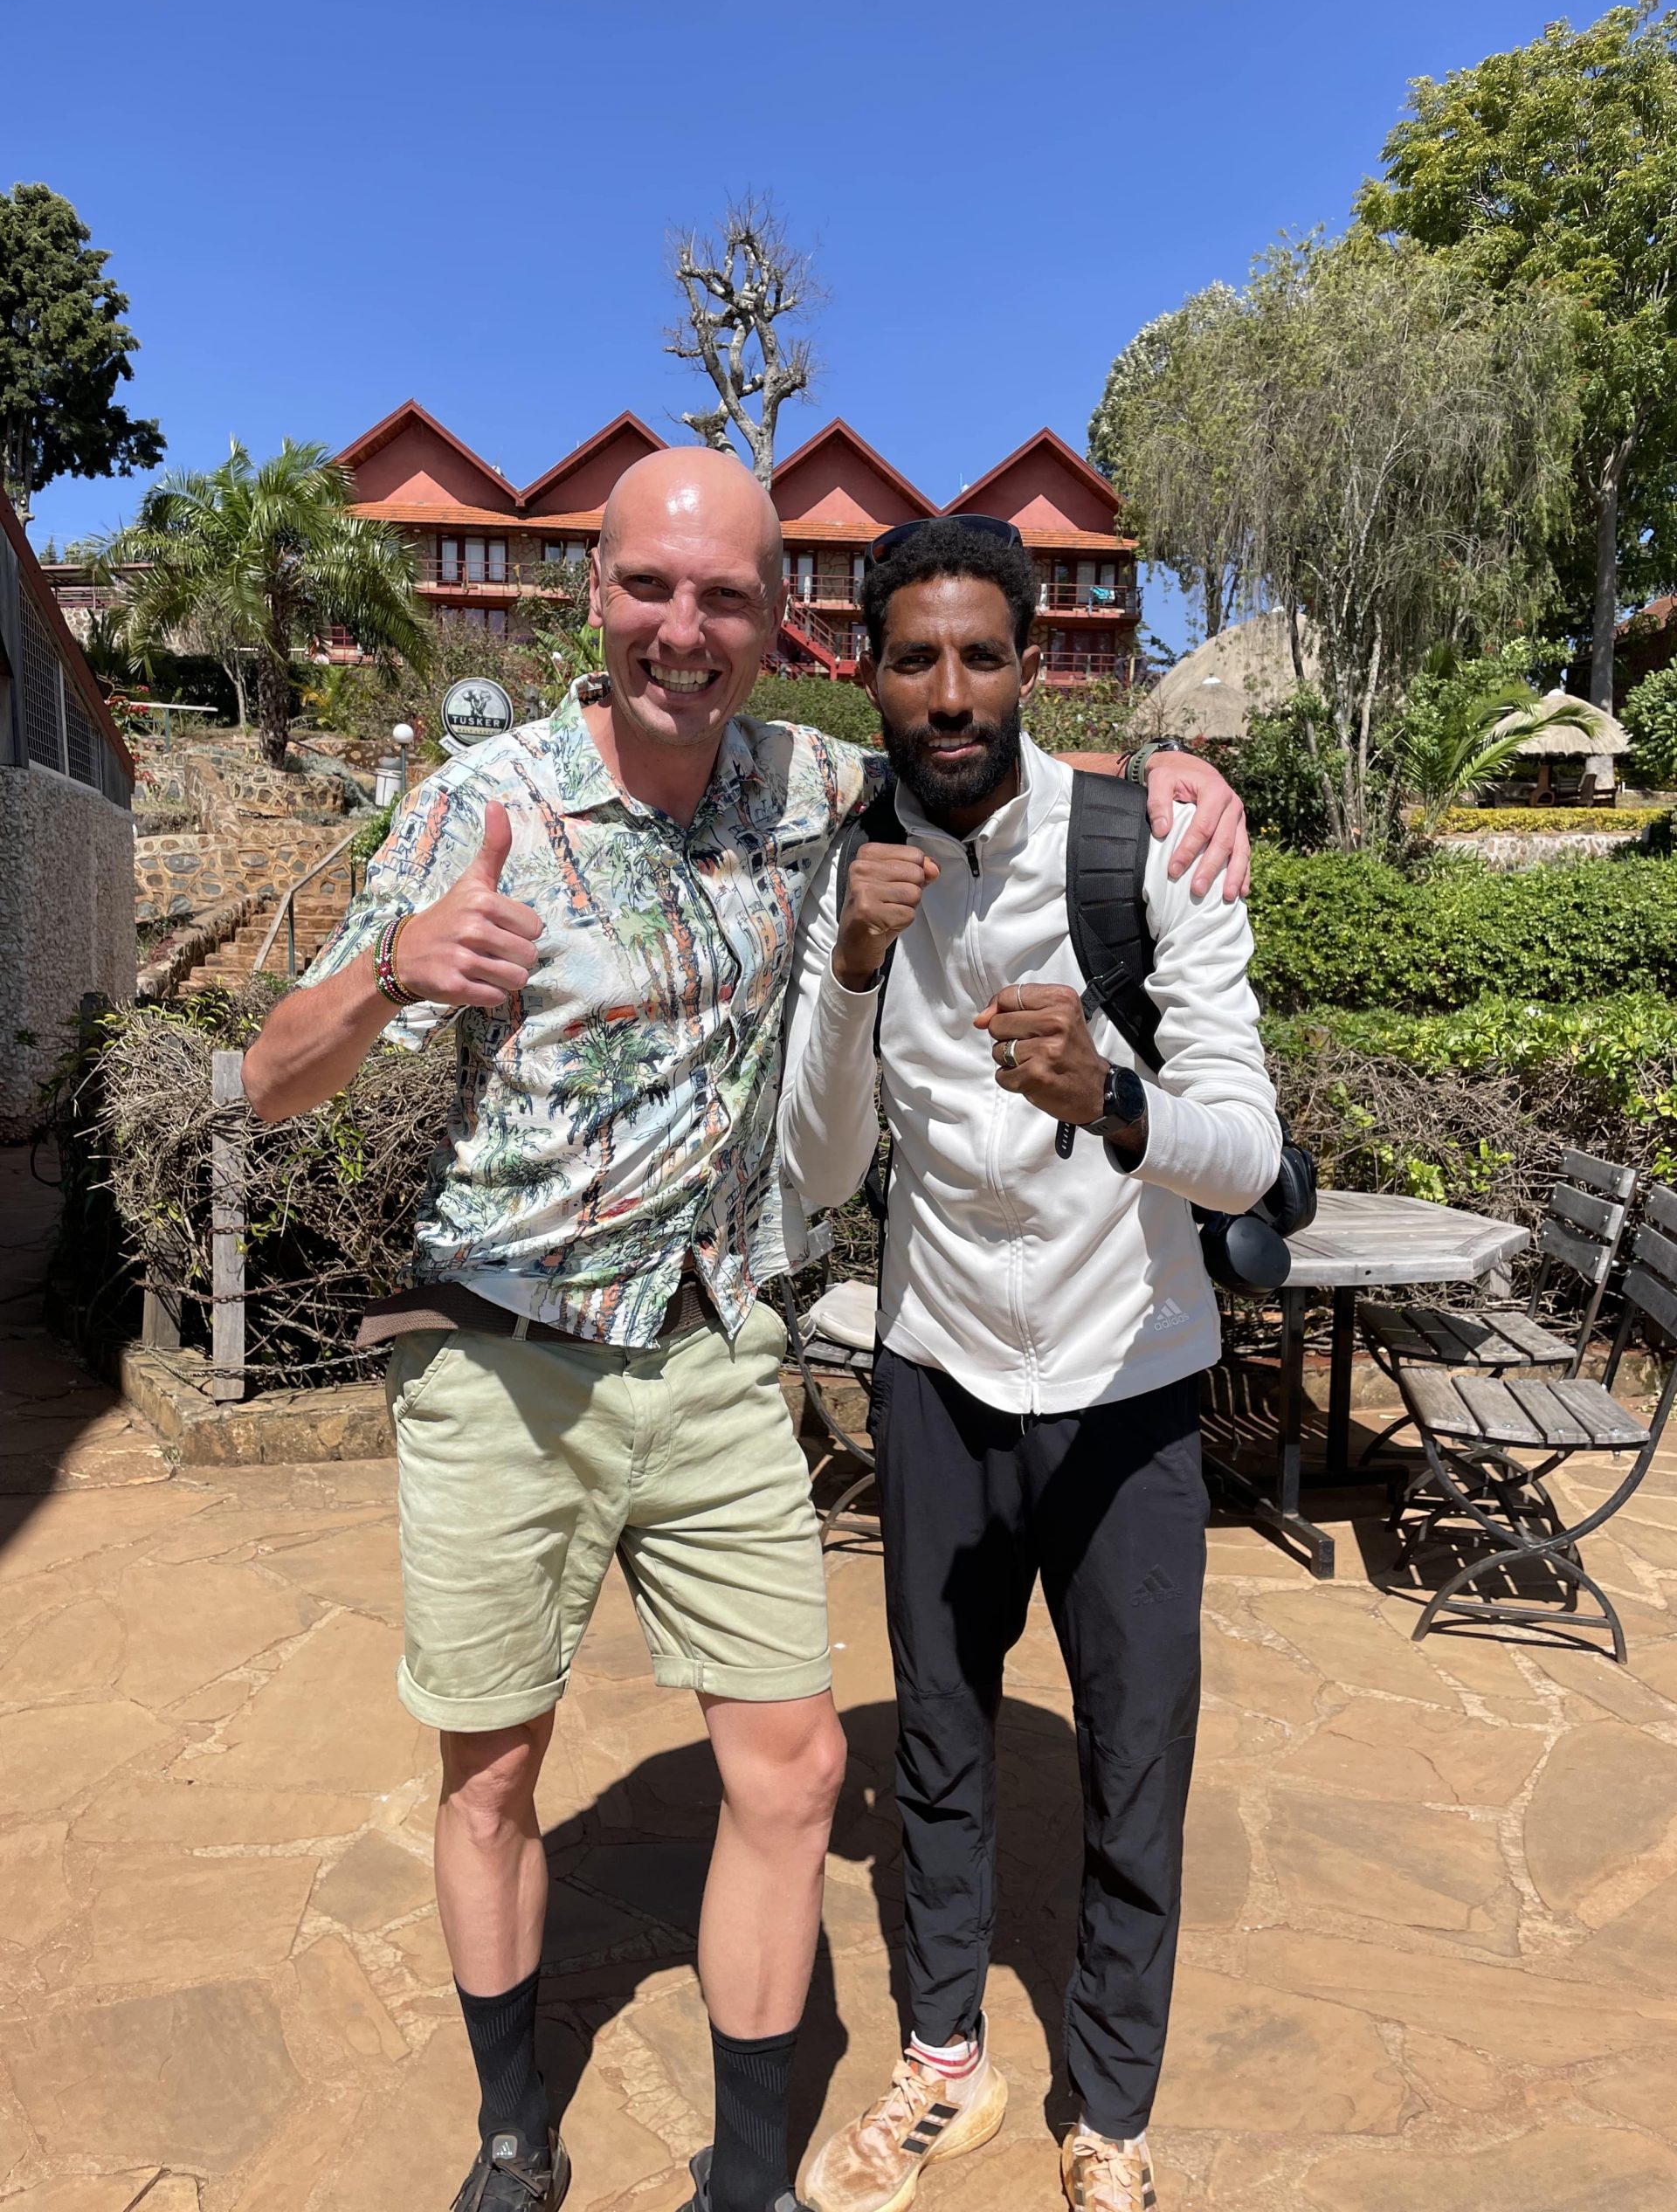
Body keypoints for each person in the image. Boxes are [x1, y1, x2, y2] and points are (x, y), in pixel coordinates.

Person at [240, 450, 1249, 2212]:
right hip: (507, 1353)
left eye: (725, 598)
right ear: (594, 594)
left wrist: (1172, 772)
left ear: (781, 627)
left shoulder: (811, 783)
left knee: (793, 1770)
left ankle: (750, 2175)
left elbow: (977, 750)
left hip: (714, 1351)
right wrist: (394, 972)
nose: (683, 630)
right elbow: (267, 1081)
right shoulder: (481, 803)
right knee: (492, 1773)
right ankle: (512, 2131)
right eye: (650, 586)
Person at [779, 520, 1281, 2212]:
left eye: (981, 656)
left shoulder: (1143, 842)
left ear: (1031, 668)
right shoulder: (846, 863)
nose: (949, 694)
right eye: (914, 659)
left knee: (1136, 1757)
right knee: (937, 1740)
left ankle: (1112, 2106)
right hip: (939, 1369)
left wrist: (1113, 1100)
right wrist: (851, 968)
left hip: (1129, 1375)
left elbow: (1246, 1155)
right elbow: (821, 1172)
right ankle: (945, 2061)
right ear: (869, 676)